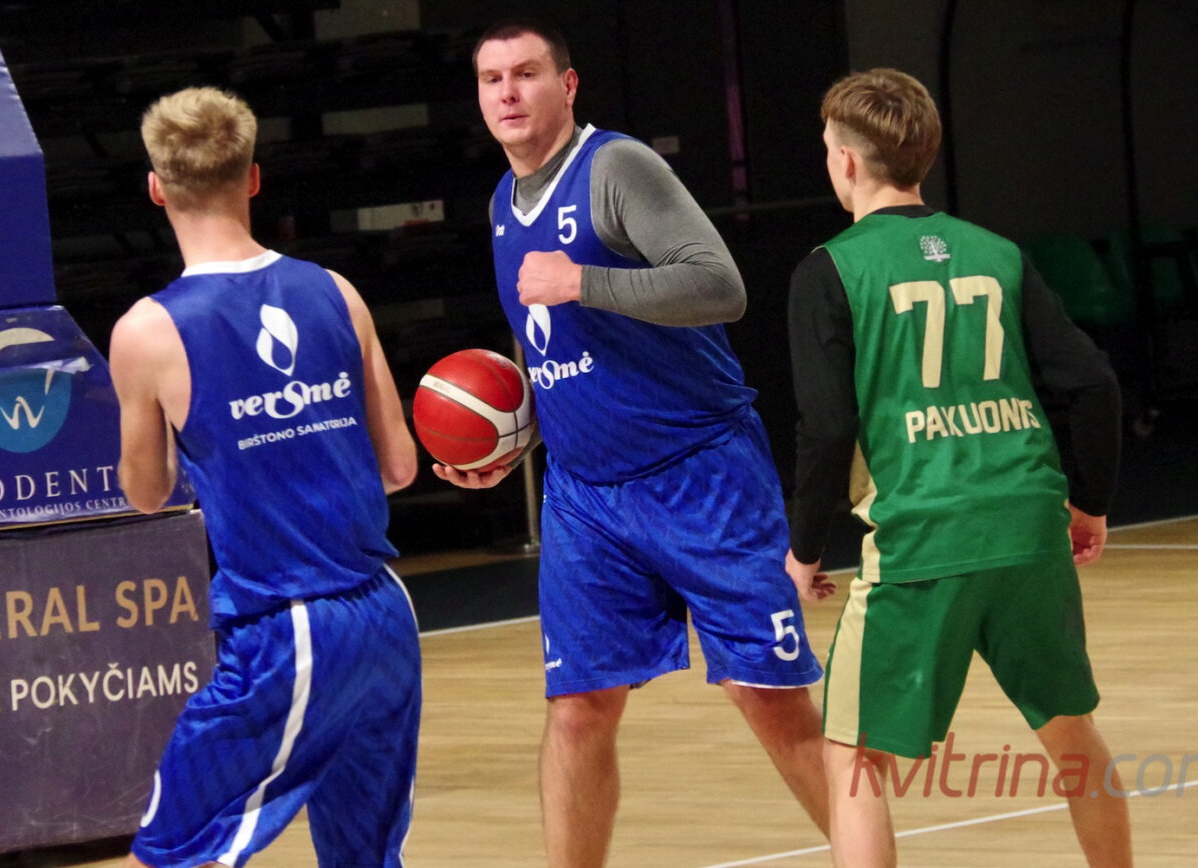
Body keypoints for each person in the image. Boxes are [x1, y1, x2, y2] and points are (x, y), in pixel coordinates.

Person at [434, 18, 829, 866]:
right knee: (579, 708)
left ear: (568, 85)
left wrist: (584, 279)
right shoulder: (503, 203)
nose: (508, 92)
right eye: (492, 79)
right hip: (586, 497)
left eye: (527, 73)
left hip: (700, 474)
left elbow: (720, 286)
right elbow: (559, 354)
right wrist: (507, 441)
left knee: (768, 697)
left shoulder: (616, 167)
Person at [785, 68, 1134, 866]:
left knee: (855, 757)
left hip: (923, 538)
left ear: (845, 161)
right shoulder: (997, 253)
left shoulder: (831, 269)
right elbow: (1094, 384)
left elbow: (828, 426)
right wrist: (1090, 502)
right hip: (1027, 526)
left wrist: (804, 548)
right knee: (1073, 737)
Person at [109, 86, 421, 867]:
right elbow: (399, 465)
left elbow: (146, 493)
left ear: (156, 188)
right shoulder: (336, 291)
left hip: (290, 628)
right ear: (253, 177)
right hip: (385, 615)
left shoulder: (147, 330)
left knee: (170, 852)